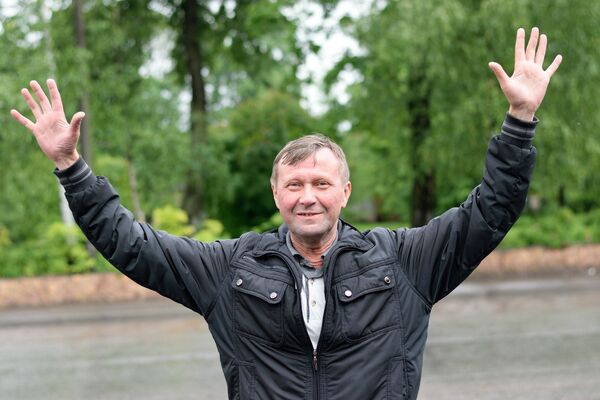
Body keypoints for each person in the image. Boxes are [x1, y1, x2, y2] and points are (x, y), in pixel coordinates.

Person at [11, 27, 561, 399]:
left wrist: (519, 120)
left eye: (321, 183)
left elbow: (490, 211)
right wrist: (70, 167)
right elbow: (131, 245)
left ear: (345, 192)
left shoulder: (402, 263)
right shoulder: (230, 270)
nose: (308, 196)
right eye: (294, 184)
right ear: (276, 195)